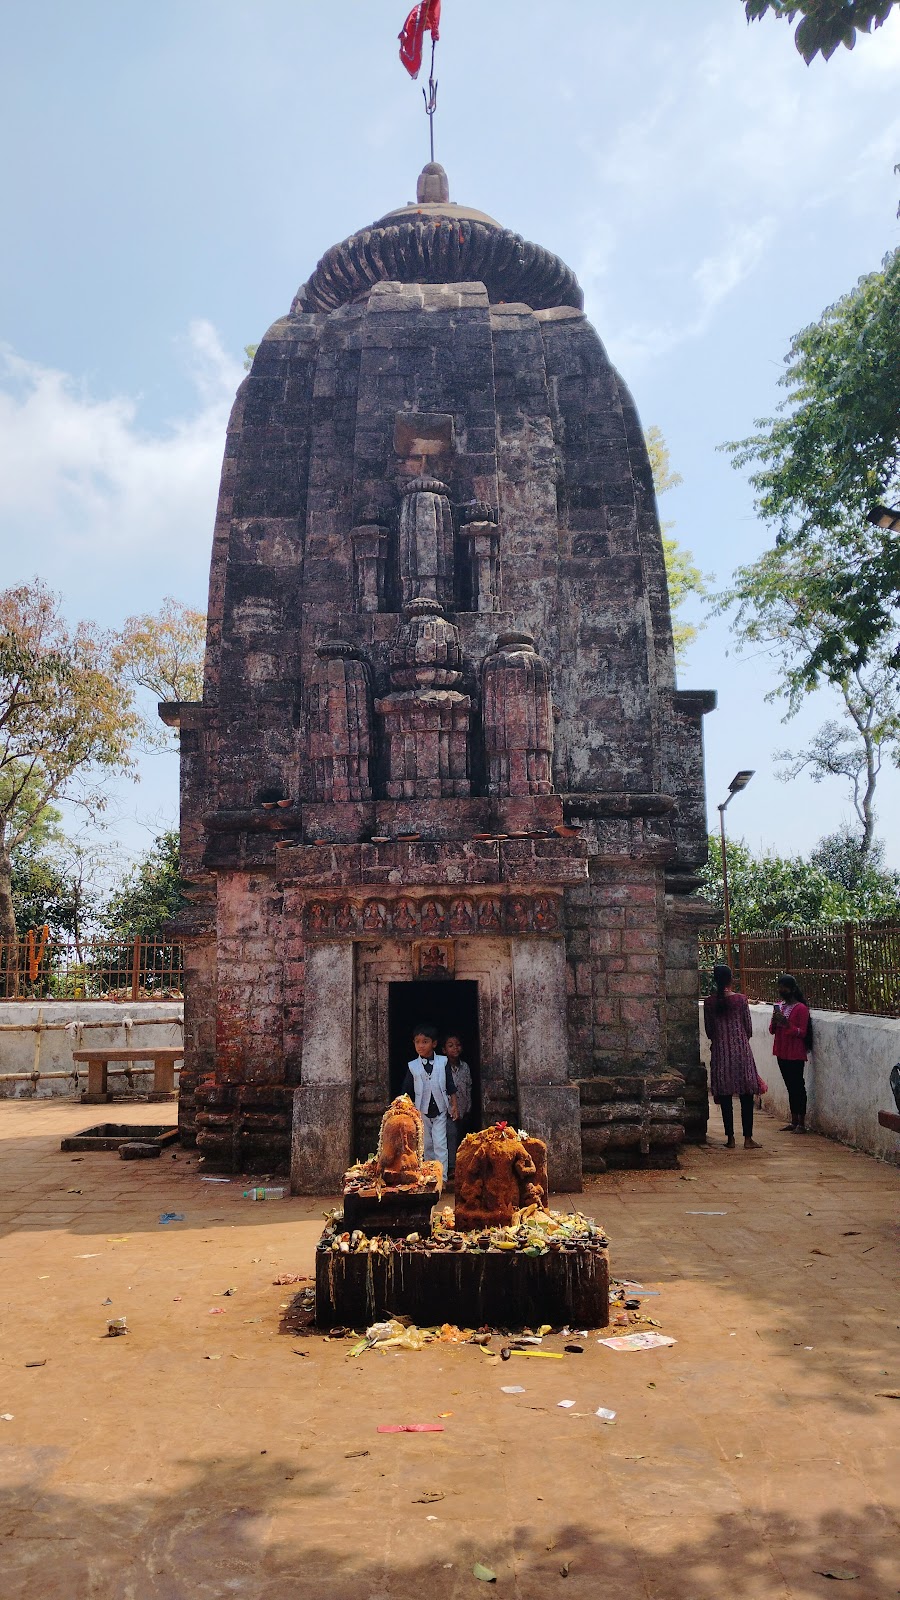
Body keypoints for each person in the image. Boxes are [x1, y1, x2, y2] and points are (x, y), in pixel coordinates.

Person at [703, 963, 765, 1149]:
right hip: (741, 1052)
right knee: (746, 1095)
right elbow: (748, 1028)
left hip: (721, 1053)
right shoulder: (740, 1000)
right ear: (731, 979)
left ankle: (730, 1138)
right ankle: (748, 1139)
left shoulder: (709, 1003)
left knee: (725, 1096)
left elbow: (709, 1030)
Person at [400, 1023, 458, 1181]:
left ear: (434, 1043)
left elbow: (450, 1086)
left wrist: (454, 1106)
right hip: (422, 1111)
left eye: (425, 1042)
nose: (420, 1046)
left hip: (440, 1110)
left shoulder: (443, 1062)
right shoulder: (412, 1066)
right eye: (417, 1042)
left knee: (440, 1143)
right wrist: (405, 1108)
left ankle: (442, 1177)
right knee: (426, 1145)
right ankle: (430, 1177)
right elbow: (406, 1090)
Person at [769, 973, 812, 1133]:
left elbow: (802, 1032)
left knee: (797, 1086)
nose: (781, 990)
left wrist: (787, 1024)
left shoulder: (801, 1008)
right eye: (780, 987)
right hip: (782, 1051)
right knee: (789, 1086)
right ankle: (794, 1120)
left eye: (784, 987)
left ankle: (801, 1122)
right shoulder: (780, 1007)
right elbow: (772, 1030)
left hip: (795, 1052)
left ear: (792, 989)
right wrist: (775, 1021)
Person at [443, 1033, 472, 1176]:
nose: (455, 1048)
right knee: (451, 1135)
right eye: (450, 1045)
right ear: (444, 1050)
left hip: (463, 1108)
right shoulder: (442, 1067)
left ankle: (462, 1167)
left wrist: (468, 1107)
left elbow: (469, 1087)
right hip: (448, 1110)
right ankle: (451, 1167)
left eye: (458, 1045)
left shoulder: (465, 1067)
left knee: (462, 1137)